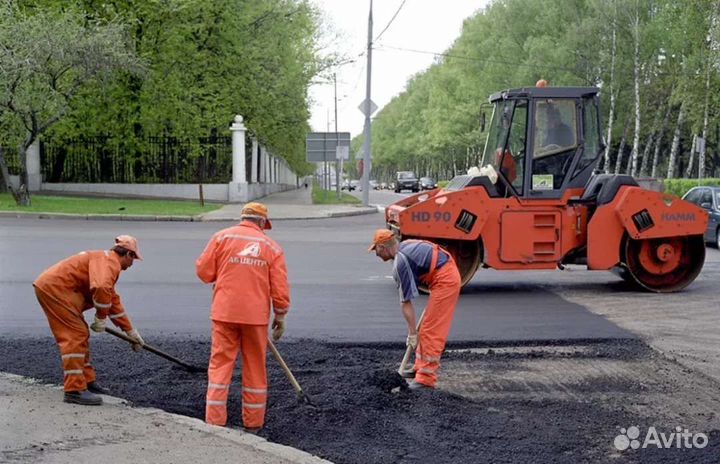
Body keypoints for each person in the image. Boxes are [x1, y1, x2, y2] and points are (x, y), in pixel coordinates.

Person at [196, 201, 290, 433]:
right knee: (255, 367)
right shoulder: (272, 247)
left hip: (224, 313)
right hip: (255, 318)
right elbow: (279, 289)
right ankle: (253, 423)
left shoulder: (221, 238)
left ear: (243, 218)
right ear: (261, 222)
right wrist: (280, 316)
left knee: (219, 365)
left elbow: (204, 272)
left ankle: (215, 421)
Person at [33, 235, 145, 406]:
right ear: (128, 254)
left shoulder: (105, 262)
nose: (132, 264)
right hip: (56, 289)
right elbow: (100, 288)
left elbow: (111, 300)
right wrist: (100, 317)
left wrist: (130, 331)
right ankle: (74, 390)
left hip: (59, 289)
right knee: (75, 335)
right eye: (134, 259)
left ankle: (86, 382)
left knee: (80, 333)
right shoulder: (110, 263)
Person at [369, 229, 461, 390]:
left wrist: (412, 333)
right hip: (442, 272)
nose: (376, 254)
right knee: (425, 327)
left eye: (375, 249)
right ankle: (419, 367)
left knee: (432, 331)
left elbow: (405, 303)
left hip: (445, 279)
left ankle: (426, 379)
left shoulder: (401, 262)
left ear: (383, 247)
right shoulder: (405, 245)